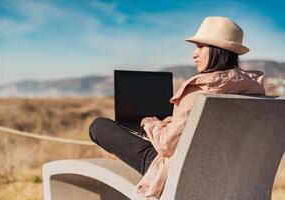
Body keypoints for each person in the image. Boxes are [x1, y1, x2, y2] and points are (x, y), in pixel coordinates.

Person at [89, 16, 265, 199]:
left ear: (218, 50)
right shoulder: (253, 90)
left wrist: (151, 124)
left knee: (99, 126)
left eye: (200, 46)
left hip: (179, 172)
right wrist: (173, 124)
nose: (194, 54)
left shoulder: (199, 91)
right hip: (226, 168)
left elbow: (165, 146)